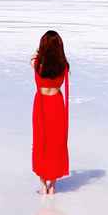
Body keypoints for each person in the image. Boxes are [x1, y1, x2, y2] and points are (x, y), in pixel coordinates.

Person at [31, 30, 70, 195]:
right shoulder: (63, 66)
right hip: (56, 103)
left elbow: (34, 56)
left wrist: (41, 51)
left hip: (41, 103)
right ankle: (52, 184)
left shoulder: (37, 63)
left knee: (41, 141)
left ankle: (43, 184)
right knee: (55, 142)